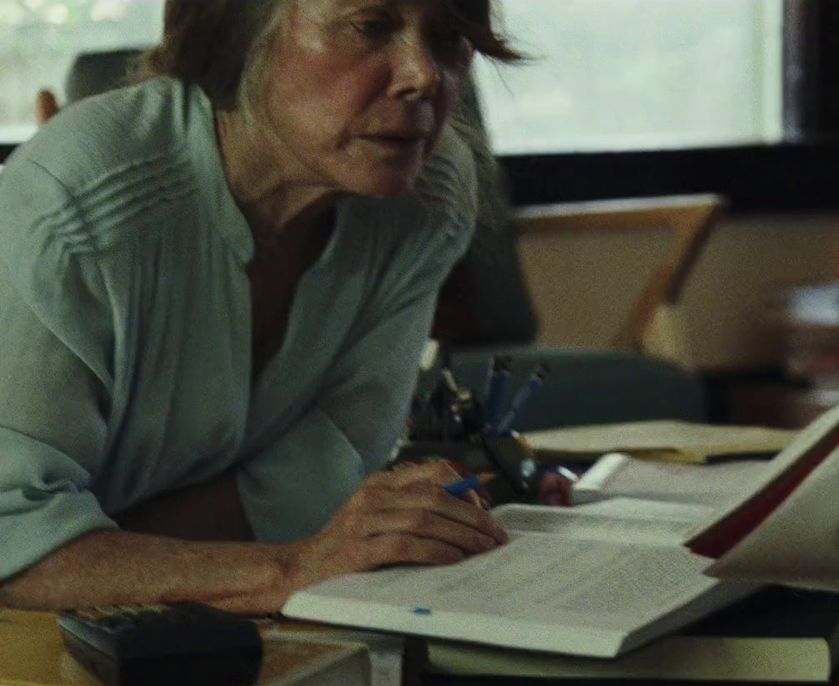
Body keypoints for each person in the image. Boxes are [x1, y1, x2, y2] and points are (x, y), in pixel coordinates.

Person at [0, 0, 523, 615]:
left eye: (448, 38)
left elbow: (326, 465)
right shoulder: (78, 201)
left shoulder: (426, 196)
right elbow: (13, 540)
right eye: (371, 26)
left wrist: (113, 553)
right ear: (243, 29)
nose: (425, 75)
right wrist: (290, 567)